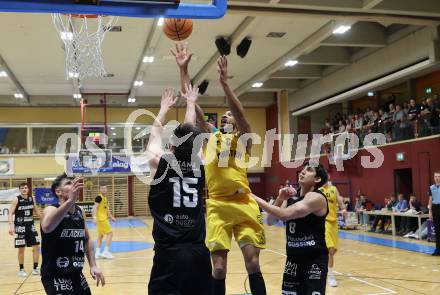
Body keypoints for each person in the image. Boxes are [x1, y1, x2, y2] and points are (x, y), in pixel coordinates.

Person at [173, 44, 266, 294]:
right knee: (219, 268)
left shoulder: (245, 138)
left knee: (253, 263)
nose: (226, 116)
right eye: (223, 115)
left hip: (244, 203)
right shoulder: (210, 138)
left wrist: (225, 84)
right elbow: (192, 102)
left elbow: (242, 115)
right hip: (217, 206)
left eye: (229, 115)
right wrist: (184, 70)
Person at [146, 84, 212, 294]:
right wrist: (191, 103)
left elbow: (155, 136)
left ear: (171, 145)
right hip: (198, 253)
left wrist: (164, 108)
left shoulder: (160, 162)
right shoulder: (201, 163)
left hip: (169, 253)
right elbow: (190, 134)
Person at [252, 163, 329, 295]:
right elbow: (271, 220)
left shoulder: (317, 197)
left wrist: (251, 196)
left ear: (317, 179)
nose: (303, 172)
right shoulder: (291, 197)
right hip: (293, 259)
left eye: (309, 170)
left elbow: (284, 214)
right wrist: (280, 198)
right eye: (303, 169)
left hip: (313, 260)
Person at [40, 174, 105, 294]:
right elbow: (47, 227)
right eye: (69, 183)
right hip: (55, 275)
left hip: (76, 273)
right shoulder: (50, 209)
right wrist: (70, 201)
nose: (74, 185)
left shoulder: (80, 211)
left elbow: (87, 239)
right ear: (58, 191)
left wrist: (93, 265)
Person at [8, 183, 41, 277]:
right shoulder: (16, 199)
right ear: (20, 190)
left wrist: (44, 219)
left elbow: (37, 211)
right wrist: (11, 226)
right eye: (22, 188)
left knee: (36, 247)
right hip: (20, 227)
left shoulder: (32, 198)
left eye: (26, 188)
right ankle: (21, 269)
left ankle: (35, 268)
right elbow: (10, 213)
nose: (24, 189)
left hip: (31, 226)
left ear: (28, 189)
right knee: (21, 249)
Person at [319, 174, 347, 287]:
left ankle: (325, 270)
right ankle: (330, 275)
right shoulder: (318, 190)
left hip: (333, 223)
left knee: (333, 251)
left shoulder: (334, 189)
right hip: (323, 222)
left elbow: (340, 202)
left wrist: (344, 209)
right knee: (330, 249)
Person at [93, 185, 116, 259]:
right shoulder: (98, 197)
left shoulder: (105, 198)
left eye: (105, 188)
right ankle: (105, 252)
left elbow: (107, 209)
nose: (104, 189)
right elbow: (94, 208)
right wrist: (94, 217)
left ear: (107, 189)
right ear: (100, 189)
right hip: (102, 219)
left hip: (103, 219)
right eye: (102, 188)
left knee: (100, 236)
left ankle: (97, 253)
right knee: (110, 234)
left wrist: (111, 217)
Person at [428, 171, 440, 256]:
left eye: (438, 176)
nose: (437, 178)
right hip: (435, 209)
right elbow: (430, 200)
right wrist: (430, 211)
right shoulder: (431, 187)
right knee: (437, 230)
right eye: (435, 176)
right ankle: (438, 249)